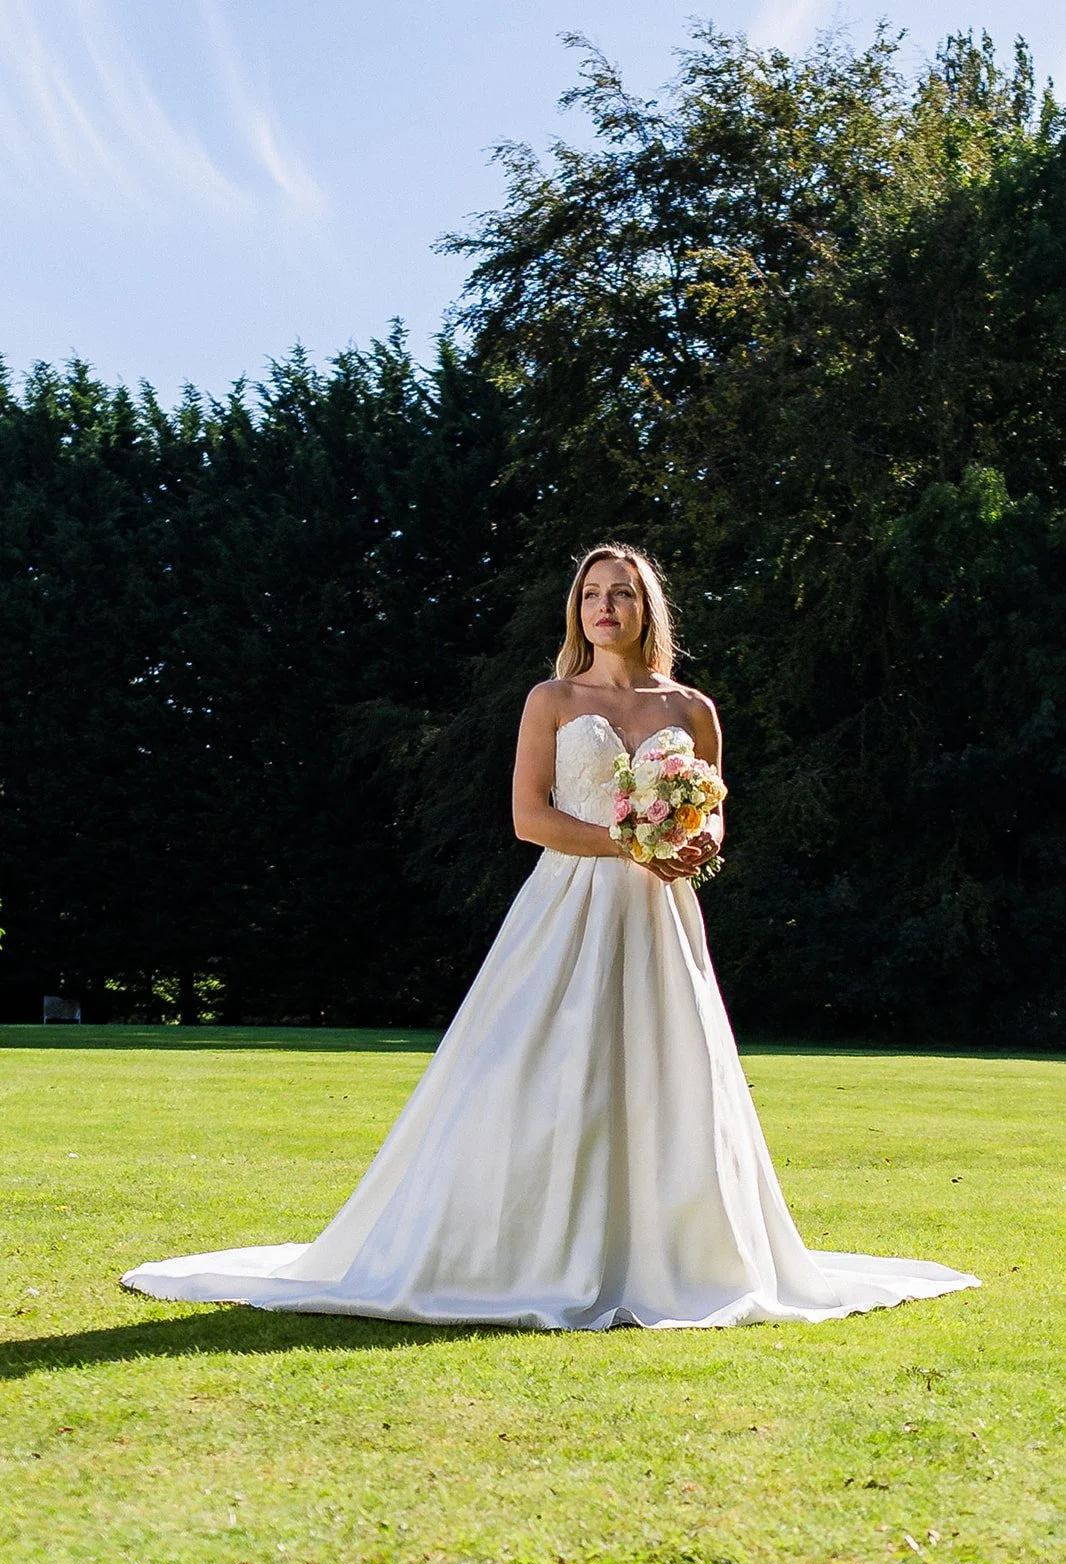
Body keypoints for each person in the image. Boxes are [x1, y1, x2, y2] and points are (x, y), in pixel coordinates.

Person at [122, 545, 979, 1327]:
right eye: (591, 594)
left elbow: (716, 816)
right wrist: (630, 842)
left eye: (621, 594)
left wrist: (697, 841)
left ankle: (676, 1251)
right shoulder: (552, 700)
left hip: (660, 916)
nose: (604, 607)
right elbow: (529, 818)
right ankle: (512, 1247)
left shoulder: (693, 708)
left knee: (668, 1071)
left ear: (648, 610)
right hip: (567, 905)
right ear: (576, 611)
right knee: (531, 1063)